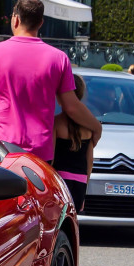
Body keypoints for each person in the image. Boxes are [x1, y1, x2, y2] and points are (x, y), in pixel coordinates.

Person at [0, 0, 102, 162]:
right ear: (40, 23)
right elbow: (71, 106)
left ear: (15, 19)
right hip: (40, 154)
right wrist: (96, 126)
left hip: (1, 149)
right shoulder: (58, 59)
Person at [52, 74, 94, 212]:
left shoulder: (56, 123)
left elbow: (51, 158)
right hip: (80, 182)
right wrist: (85, 188)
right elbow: (89, 162)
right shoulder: (89, 126)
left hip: (60, 181)